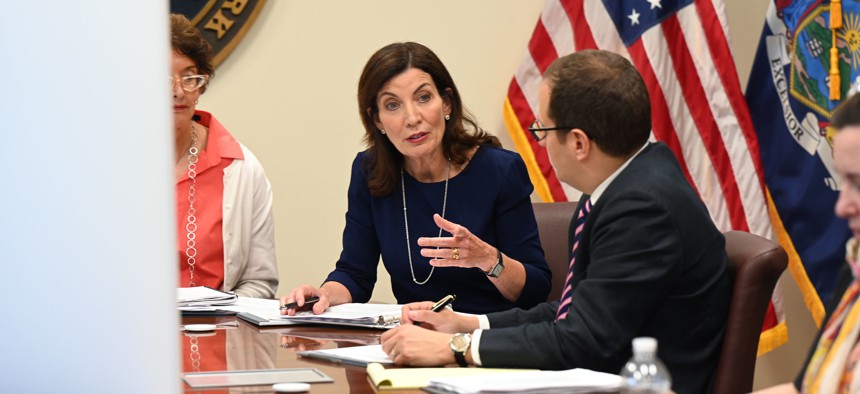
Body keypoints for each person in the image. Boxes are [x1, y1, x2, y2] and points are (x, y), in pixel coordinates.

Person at [379, 50, 731, 394]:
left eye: (542, 129)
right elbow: (572, 311)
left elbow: (584, 340)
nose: (541, 140)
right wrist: (467, 324)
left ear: (578, 142)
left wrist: (456, 348)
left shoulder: (641, 210)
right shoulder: (625, 186)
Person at [282, 42, 551, 315]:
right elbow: (355, 274)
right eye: (392, 105)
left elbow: (535, 290)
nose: (412, 118)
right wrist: (324, 293)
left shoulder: (499, 170)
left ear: (446, 103)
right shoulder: (370, 171)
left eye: (423, 98)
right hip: (413, 341)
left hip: (487, 339)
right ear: (377, 121)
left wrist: (488, 259)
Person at [752, 93, 860, 394]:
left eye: (859, 184)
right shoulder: (854, 270)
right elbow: (803, 389)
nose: (842, 207)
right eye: (843, 182)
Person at [170, 14, 277, 298]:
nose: (178, 91)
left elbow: (260, 282)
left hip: (215, 333)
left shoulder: (241, 166)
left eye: (189, 77)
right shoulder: (107, 165)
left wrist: (217, 321)